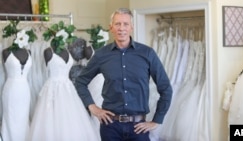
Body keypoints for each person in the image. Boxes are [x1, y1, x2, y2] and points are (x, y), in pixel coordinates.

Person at [75, 8, 173, 141]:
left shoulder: (147, 54)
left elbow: (166, 88)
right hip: (110, 127)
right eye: (117, 24)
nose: (121, 28)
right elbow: (80, 81)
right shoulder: (101, 55)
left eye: (125, 24)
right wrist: (93, 107)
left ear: (131, 27)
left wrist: (157, 121)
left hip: (139, 127)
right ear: (111, 27)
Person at [28, 38, 100, 141]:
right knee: (52, 118)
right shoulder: (48, 52)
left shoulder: (67, 51)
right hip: (53, 89)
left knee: (71, 117)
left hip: (68, 88)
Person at [1, 47, 32, 141]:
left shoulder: (29, 52)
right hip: (11, 89)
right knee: (10, 117)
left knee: (23, 117)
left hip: (25, 90)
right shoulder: (6, 52)